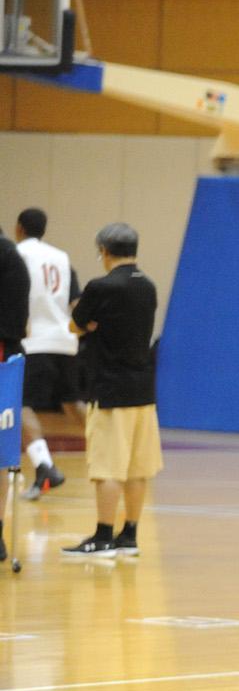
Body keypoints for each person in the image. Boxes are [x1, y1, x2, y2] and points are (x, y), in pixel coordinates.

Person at [62, 223, 161, 559]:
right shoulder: (148, 286)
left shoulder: (100, 286)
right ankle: (129, 535)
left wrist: (92, 324)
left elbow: (75, 324)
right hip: (143, 390)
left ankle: (103, 536)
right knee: (137, 468)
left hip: (110, 388)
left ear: (103, 250)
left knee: (107, 467)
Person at [15, 207, 85, 500]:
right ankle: (111, 451)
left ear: (19, 228)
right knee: (72, 402)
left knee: (19, 404)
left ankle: (45, 466)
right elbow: (76, 303)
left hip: (35, 341)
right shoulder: (61, 258)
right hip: (65, 340)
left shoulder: (16, 255)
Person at [0, 235, 29, 564]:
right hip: (10, 353)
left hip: (3, 354)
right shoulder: (13, 255)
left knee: (1, 450)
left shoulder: (8, 256)